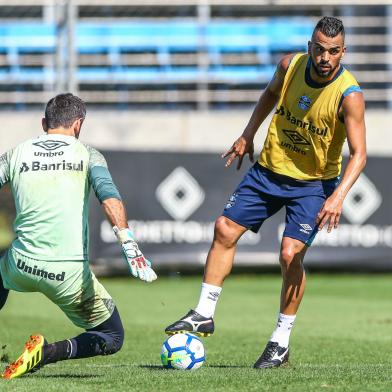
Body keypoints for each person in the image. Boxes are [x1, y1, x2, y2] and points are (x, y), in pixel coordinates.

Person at [165, 16, 366, 369]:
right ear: (310, 47)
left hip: (313, 185)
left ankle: (280, 342)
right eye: (319, 49)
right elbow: (269, 95)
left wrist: (338, 197)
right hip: (268, 171)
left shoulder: (349, 96)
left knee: (290, 255)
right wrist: (247, 134)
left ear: (342, 52)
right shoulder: (290, 66)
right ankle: (204, 313)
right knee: (224, 229)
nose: (325, 57)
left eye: (333, 52)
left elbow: (359, 154)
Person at [0, 93, 157, 379]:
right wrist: (129, 244)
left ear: (44, 122)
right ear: (78, 124)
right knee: (112, 335)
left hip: (20, 263)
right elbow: (109, 198)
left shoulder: (16, 152)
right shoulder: (87, 153)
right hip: (67, 275)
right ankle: (46, 353)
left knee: (0, 267)